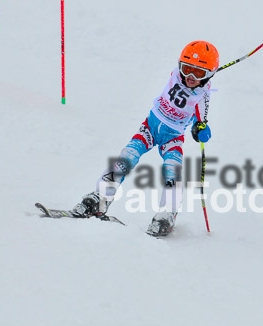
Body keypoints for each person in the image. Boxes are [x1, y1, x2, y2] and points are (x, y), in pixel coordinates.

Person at [70, 41, 219, 236]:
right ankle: (100, 198)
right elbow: (193, 64)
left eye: (198, 73)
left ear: (208, 76)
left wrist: (200, 129)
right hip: (150, 127)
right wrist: (200, 70)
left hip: (172, 138)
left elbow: (200, 121)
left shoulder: (202, 95)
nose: (190, 77)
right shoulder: (176, 74)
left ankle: (167, 213)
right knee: (126, 157)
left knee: (172, 172)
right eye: (187, 68)